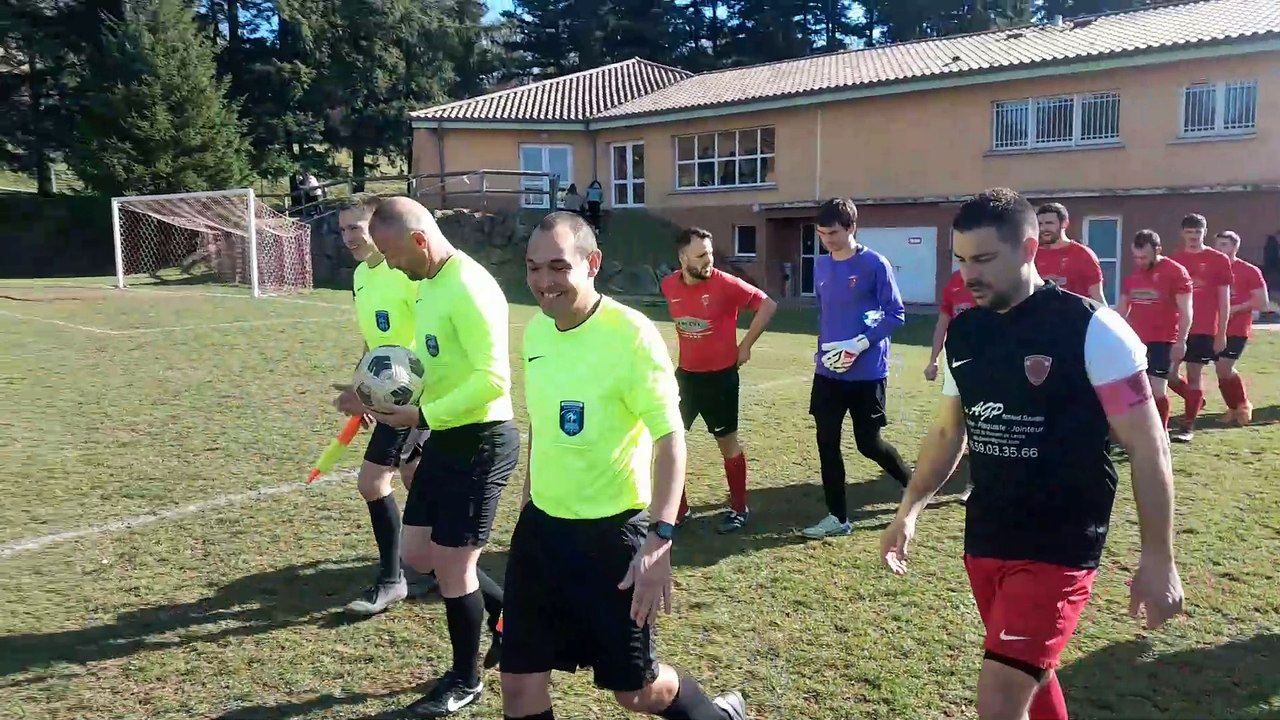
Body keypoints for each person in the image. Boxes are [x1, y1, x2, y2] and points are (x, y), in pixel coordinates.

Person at [880, 188, 1184, 720]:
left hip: (1058, 546)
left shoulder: (1092, 328)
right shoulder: (966, 332)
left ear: (1027, 249)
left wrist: (1158, 557)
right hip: (988, 537)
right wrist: (910, 509)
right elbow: (950, 433)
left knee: (999, 702)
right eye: (961, 260)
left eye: (984, 259)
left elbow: (1148, 444)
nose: (968, 274)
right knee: (1030, 680)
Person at [501, 211, 746, 720]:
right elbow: (542, 428)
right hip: (541, 534)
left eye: (557, 267)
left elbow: (670, 438)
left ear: (592, 264)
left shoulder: (631, 335)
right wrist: (528, 504)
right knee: (519, 685)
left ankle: (719, 716)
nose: (543, 282)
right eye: (532, 267)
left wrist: (659, 539)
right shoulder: (536, 334)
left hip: (612, 538)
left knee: (635, 692)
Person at [333, 196, 516, 716]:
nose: (387, 264)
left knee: (455, 569)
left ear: (419, 240)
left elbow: (492, 380)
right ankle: (511, 618)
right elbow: (424, 367)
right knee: (419, 555)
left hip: (482, 439)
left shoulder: (470, 285)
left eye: (391, 253)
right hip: (447, 435)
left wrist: (422, 416)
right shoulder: (429, 283)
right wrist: (370, 393)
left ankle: (466, 679)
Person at [334, 193, 432, 615]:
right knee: (417, 478)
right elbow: (373, 342)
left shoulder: (408, 273)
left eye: (355, 228)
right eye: (342, 230)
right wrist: (365, 386)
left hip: (413, 395)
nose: (349, 237)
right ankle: (438, 567)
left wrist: (384, 393)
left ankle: (394, 580)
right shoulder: (360, 276)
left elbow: (428, 340)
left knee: (373, 483)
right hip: (384, 393)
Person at [803, 197, 912, 540]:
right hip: (828, 372)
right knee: (826, 442)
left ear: (852, 227)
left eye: (833, 232)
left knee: (868, 442)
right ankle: (837, 518)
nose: (827, 240)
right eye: (821, 233)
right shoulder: (821, 265)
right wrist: (829, 349)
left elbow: (895, 314)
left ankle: (914, 487)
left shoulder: (875, 264)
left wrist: (860, 344)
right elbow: (827, 312)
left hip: (867, 373)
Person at [659, 227, 778, 533]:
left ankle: (739, 509)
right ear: (683, 257)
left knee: (727, 443)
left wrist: (745, 345)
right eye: (701, 255)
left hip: (721, 378)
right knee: (668, 441)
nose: (708, 261)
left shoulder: (725, 284)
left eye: (710, 253)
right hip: (686, 378)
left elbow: (767, 304)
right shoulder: (668, 285)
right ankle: (678, 510)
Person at [1115, 229, 1193, 433]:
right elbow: (1122, 310)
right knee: (1137, 387)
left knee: (1157, 387)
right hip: (1137, 340)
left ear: (1158, 250)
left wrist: (1181, 341)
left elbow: (1186, 310)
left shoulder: (1175, 272)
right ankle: (1142, 430)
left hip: (1164, 339)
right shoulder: (1133, 276)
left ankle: (1161, 433)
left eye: (1144, 257)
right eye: (1136, 257)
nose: (1140, 261)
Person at [1166, 213, 1233, 443]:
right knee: (1168, 373)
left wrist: (1221, 332)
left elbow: (1224, 300)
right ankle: (1194, 400)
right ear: (1182, 233)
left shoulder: (1217, 259)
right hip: (1176, 328)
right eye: (1189, 232)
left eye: (1198, 232)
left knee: (1194, 374)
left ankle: (1188, 425)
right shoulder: (1174, 260)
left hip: (1204, 328)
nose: (1193, 236)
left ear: (1204, 233)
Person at [924, 268, 977, 502]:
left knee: (979, 424)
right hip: (956, 363)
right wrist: (933, 359)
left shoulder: (994, 280)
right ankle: (939, 476)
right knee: (952, 423)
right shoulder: (955, 279)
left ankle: (974, 484)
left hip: (986, 364)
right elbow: (943, 321)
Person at [1212, 230, 1269, 425]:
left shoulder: (1249, 271)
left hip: (1237, 328)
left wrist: (1235, 308)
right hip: (1213, 327)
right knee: (1220, 370)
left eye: (1224, 245)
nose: (1220, 249)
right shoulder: (1211, 270)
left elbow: (1262, 302)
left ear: (1235, 247)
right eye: (1217, 245)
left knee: (1225, 367)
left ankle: (1243, 405)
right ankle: (1233, 408)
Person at [1034, 203, 1107, 303]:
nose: (1043, 228)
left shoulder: (1083, 254)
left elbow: (1098, 297)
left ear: (1064, 223)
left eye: (1049, 223)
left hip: (1076, 316)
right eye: (1040, 224)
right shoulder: (1033, 254)